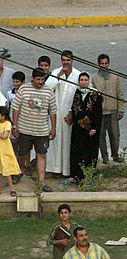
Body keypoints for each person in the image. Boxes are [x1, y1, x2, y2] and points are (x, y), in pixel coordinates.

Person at [10, 67, 56, 190]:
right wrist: (15, 125)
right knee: (22, 153)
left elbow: (52, 112)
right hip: (25, 128)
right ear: (33, 78)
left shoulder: (49, 91)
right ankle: (18, 172)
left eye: (42, 79)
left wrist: (53, 128)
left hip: (41, 130)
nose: (40, 82)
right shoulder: (24, 89)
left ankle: (41, 181)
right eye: (38, 79)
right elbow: (16, 108)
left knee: (42, 155)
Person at [46, 50, 79, 179]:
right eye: (64, 60)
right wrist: (58, 76)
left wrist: (72, 112)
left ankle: (67, 170)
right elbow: (48, 88)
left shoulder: (77, 74)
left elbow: (79, 94)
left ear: (72, 60)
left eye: (68, 60)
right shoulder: (56, 72)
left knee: (68, 142)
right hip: (56, 113)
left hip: (69, 114)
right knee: (55, 141)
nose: (66, 63)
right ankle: (54, 169)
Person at [66, 72, 102, 185]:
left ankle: (88, 176)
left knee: (89, 153)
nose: (83, 82)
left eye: (86, 80)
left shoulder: (95, 94)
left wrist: (95, 128)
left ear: (89, 81)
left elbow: (98, 113)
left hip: (90, 129)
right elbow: (73, 107)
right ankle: (75, 176)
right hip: (77, 128)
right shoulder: (77, 93)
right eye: (81, 80)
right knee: (76, 151)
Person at [91, 53, 124, 164]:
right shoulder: (94, 78)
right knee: (101, 136)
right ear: (98, 64)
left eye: (106, 63)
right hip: (100, 112)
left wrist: (121, 110)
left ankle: (115, 155)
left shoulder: (115, 77)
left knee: (115, 135)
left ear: (108, 64)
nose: (104, 65)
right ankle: (104, 157)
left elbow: (120, 94)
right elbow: (93, 96)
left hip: (113, 111)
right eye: (102, 64)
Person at [0, 105, 18, 195]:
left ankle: (11, 189)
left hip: (5, 150)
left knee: (7, 170)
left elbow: (5, 136)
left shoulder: (7, 124)